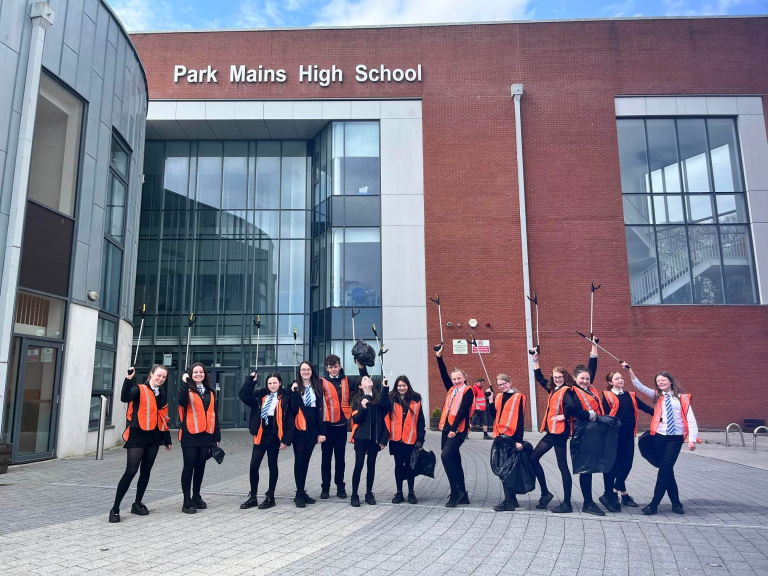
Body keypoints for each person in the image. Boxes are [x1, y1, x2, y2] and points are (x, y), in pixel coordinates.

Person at [627, 366, 699, 515]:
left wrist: (692, 438)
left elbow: (690, 419)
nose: (660, 383)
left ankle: (654, 504)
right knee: (667, 470)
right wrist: (630, 371)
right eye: (658, 381)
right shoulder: (657, 396)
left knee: (665, 469)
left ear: (670, 381)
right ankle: (676, 503)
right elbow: (639, 386)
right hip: (659, 436)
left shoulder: (682, 398)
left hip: (675, 438)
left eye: (663, 380)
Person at [109, 365, 172, 523]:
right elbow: (125, 398)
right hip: (137, 435)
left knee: (146, 471)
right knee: (131, 471)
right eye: (159, 375)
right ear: (151, 374)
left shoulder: (162, 394)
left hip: (154, 437)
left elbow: (163, 417)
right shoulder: (139, 389)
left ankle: (137, 504)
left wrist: (167, 439)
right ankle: (115, 508)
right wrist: (128, 379)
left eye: (164, 377)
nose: (161, 379)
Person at [528, 348, 583, 514]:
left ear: (565, 377)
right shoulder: (553, 389)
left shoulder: (566, 390)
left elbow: (572, 407)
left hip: (559, 433)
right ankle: (546, 494)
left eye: (560, 377)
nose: (557, 379)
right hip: (552, 433)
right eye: (555, 377)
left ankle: (566, 503)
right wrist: (535, 360)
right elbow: (539, 378)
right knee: (534, 458)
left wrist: (563, 417)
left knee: (562, 466)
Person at [598, 369, 654, 512]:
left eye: (621, 378)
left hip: (628, 435)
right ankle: (622, 495)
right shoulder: (607, 396)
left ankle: (615, 491)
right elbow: (604, 416)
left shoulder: (631, 395)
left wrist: (660, 415)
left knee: (627, 464)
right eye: (617, 379)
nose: (620, 380)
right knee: (616, 465)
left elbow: (646, 408)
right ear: (610, 382)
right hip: (614, 436)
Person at [239, 371, 293, 510]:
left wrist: (286, 439)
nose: (272, 385)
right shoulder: (260, 396)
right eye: (270, 383)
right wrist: (250, 381)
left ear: (280, 383)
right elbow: (243, 395)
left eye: (275, 382)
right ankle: (253, 497)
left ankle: (271, 496)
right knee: (253, 466)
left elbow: (290, 420)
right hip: (261, 433)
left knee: (272, 465)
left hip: (275, 434)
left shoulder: (285, 397)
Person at [564, 341, 606, 516]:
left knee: (598, 464)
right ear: (575, 378)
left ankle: (608, 496)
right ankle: (588, 502)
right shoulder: (571, 391)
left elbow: (592, 366)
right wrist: (590, 415)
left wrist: (594, 347)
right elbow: (570, 410)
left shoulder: (591, 388)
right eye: (582, 378)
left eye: (587, 378)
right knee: (586, 468)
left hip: (595, 430)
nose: (585, 380)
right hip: (582, 432)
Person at [320, 354, 368, 500]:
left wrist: (362, 368)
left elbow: (364, 382)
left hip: (341, 426)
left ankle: (340, 487)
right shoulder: (321, 382)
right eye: (330, 367)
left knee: (340, 459)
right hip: (327, 427)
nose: (333, 370)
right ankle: (325, 488)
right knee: (326, 459)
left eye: (335, 367)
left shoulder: (348, 381)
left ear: (340, 366)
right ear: (326, 368)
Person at [435, 344, 476, 508]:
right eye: (454, 379)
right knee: (455, 460)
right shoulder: (451, 389)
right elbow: (443, 375)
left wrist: (453, 429)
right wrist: (439, 357)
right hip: (446, 429)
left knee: (445, 457)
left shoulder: (468, 390)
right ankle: (464, 494)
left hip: (457, 430)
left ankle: (455, 492)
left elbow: (464, 411)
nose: (456, 380)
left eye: (459, 378)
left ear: (464, 377)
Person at [178, 362, 221, 514]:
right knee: (189, 467)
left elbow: (214, 414)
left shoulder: (211, 392)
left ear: (205, 374)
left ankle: (196, 496)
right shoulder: (187, 390)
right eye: (195, 372)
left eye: (201, 372)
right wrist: (184, 383)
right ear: (190, 375)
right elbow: (182, 402)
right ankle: (186, 499)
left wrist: (216, 435)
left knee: (200, 467)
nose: (198, 374)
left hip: (206, 435)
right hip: (190, 434)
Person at [486, 373, 526, 512]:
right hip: (500, 437)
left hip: (512, 438)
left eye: (504, 383)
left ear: (509, 383)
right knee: (506, 469)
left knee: (504, 470)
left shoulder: (518, 397)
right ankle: (512, 500)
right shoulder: (498, 397)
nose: (502, 386)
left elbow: (520, 419)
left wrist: (519, 440)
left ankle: (508, 501)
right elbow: (493, 415)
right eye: (499, 385)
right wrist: (490, 399)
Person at [349, 376, 390, 506]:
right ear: (361, 386)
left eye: (369, 379)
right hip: (361, 437)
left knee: (371, 465)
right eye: (365, 379)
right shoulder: (357, 399)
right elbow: (356, 420)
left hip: (374, 438)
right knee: (359, 465)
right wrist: (362, 407)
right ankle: (354, 495)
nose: (369, 380)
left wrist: (385, 388)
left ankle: (369, 493)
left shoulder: (377, 399)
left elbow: (386, 409)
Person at [290, 361, 327, 508]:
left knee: (306, 460)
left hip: (313, 426)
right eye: (303, 369)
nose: (305, 371)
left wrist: (322, 431)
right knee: (299, 460)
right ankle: (299, 494)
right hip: (299, 427)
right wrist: (293, 393)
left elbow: (322, 409)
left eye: (308, 369)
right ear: (299, 372)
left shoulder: (318, 387)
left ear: (312, 371)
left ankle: (302, 490)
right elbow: (292, 409)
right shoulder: (294, 387)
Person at [386, 375, 426, 504]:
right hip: (396, 440)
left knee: (410, 466)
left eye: (404, 385)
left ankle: (410, 492)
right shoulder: (391, 398)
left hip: (411, 440)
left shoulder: (416, 398)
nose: (401, 388)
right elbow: (382, 408)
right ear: (396, 387)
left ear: (408, 386)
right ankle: (399, 493)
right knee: (398, 465)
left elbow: (421, 421)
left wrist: (420, 439)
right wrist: (384, 388)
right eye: (399, 386)